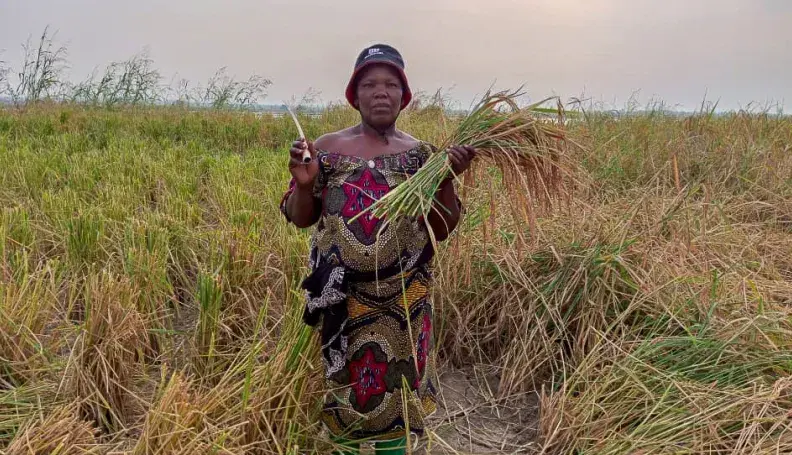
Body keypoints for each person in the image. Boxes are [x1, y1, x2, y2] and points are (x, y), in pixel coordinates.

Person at [280, 44, 476, 454]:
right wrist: (303, 182)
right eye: (369, 84)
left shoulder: (422, 156)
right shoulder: (328, 150)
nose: (381, 92)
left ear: (405, 96)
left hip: (405, 305)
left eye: (391, 84)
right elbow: (301, 217)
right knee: (346, 393)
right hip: (344, 304)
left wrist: (444, 178)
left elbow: (441, 228)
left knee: (398, 394)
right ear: (354, 95)